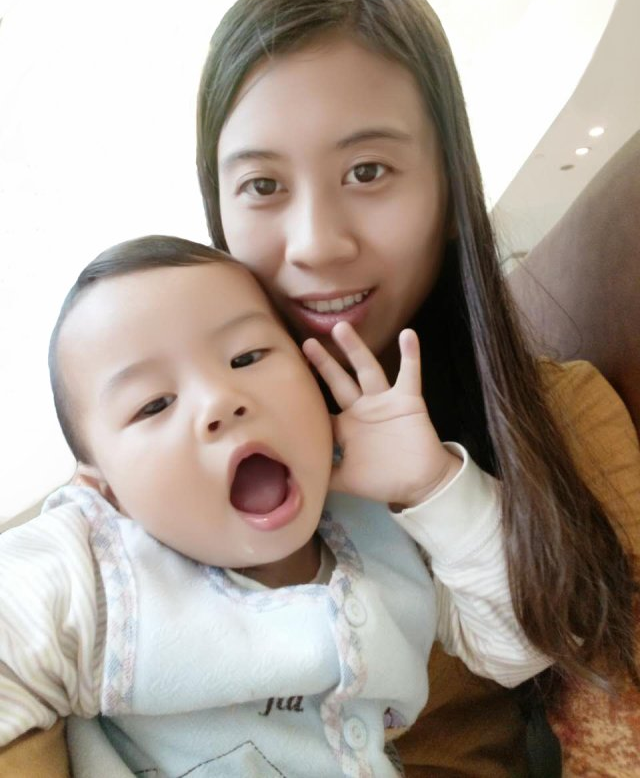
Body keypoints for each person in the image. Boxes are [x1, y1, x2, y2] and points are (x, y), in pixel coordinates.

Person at [194, 0, 640, 774]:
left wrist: (435, 489)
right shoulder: (180, 433)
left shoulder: (556, 420)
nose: (316, 245)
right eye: (263, 184)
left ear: (450, 192)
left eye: (367, 172)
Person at [0, 235, 550, 778]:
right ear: (104, 489)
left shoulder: (383, 528)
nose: (220, 401)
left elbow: (519, 647)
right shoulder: (98, 571)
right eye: (154, 404)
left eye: (246, 357)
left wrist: (433, 485)